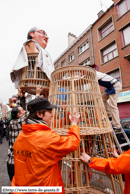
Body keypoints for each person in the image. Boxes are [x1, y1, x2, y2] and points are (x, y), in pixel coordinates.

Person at [11, 97, 80, 194]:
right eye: (50, 112)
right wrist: (74, 124)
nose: (52, 115)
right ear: (39, 114)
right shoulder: (47, 137)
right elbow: (72, 143)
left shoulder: (21, 136)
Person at [7, 86, 42, 182]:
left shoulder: (12, 122)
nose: (25, 111)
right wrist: (38, 94)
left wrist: (19, 95)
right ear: (19, 115)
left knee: (14, 186)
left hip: (10, 161)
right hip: (19, 163)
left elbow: (17, 109)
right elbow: (32, 110)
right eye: (23, 111)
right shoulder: (21, 121)